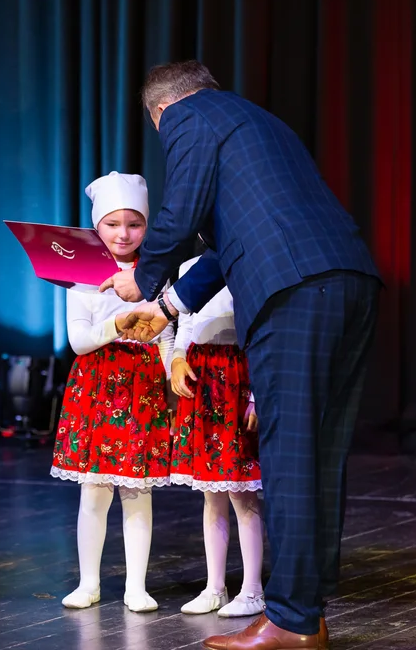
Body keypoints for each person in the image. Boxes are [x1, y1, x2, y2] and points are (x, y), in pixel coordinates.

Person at [100, 61, 381, 649]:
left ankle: (291, 622)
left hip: (295, 290)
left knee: (290, 454)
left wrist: (143, 280)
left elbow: (180, 214)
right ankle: (307, 610)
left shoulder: (187, 116)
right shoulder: (260, 123)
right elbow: (238, 243)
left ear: (159, 112)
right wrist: (170, 306)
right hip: (348, 277)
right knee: (319, 451)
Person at [50, 172, 173, 614]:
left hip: (142, 388)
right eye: (113, 223)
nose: (123, 234)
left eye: (134, 224)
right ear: (96, 226)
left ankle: (136, 586)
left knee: (137, 490)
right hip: (97, 387)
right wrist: (116, 325)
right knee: (94, 490)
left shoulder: (158, 271)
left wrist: (170, 377)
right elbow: (78, 341)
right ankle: (89, 582)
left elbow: (166, 333)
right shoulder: (80, 271)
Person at [169, 255, 265, 619]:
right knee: (212, 494)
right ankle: (215, 587)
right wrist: (178, 358)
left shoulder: (249, 259)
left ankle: (253, 590)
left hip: (237, 374)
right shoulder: (190, 266)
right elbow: (186, 321)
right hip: (203, 374)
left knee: (243, 492)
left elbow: (260, 327)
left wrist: (256, 393)